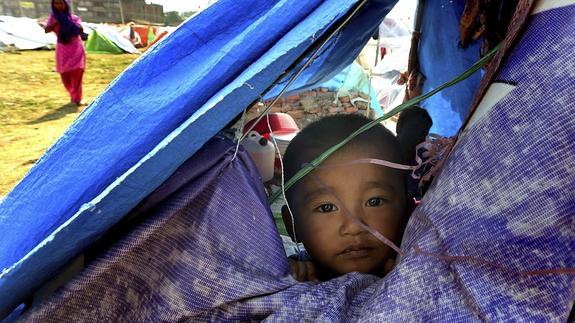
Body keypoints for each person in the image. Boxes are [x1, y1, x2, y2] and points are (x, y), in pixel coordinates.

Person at [281, 114, 410, 281]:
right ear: (292, 224)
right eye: (326, 207)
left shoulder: (422, 273)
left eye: (374, 202)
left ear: (407, 211)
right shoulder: (286, 281)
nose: (354, 227)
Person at [44, 0, 86, 106]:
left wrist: (71, 23)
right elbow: (46, 29)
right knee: (65, 74)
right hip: (62, 49)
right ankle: (73, 94)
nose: (58, 5)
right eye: (56, 3)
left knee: (77, 72)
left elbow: (80, 30)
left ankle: (77, 99)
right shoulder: (53, 18)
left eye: (61, 3)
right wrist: (57, 22)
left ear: (66, 4)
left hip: (76, 47)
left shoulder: (74, 18)